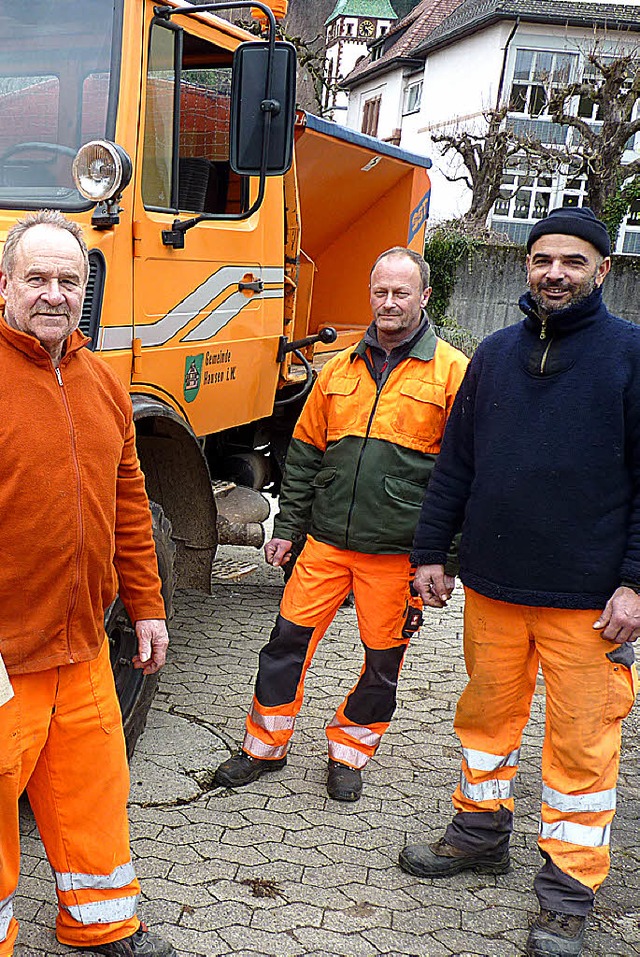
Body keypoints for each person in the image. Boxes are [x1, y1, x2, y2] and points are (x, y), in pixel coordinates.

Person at [400, 208, 639, 957]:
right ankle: (479, 832)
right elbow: (455, 466)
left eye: (572, 261)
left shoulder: (631, 356)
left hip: (591, 602)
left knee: (582, 747)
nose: (555, 273)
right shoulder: (494, 355)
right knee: (485, 720)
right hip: (494, 588)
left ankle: (568, 892)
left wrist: (635, 582)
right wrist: (430, 553)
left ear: (602, 269)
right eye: (543, 260)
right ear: (526, 267)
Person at [214, 247, 469, 802]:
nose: (389, 302)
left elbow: (464, 475)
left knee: (382, 665)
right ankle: (263, 745)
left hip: (396, 556)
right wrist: (286, 530)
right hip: (324, 547)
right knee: (284, 646)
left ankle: (350, 752)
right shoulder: (336, 370)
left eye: (402, 292)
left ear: (425, 297)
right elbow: (304, 459)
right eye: (380, 291)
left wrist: (443, 560)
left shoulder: (452, 373)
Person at [0, 211, 176, 957]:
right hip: (5, 657)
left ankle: (101, 923)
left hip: (80, 648)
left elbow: (129, 504)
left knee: (93, 794)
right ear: (4, 284)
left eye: (68, 280)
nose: (53, 293)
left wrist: (147, 606)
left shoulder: (104, 382)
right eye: (36, 278)